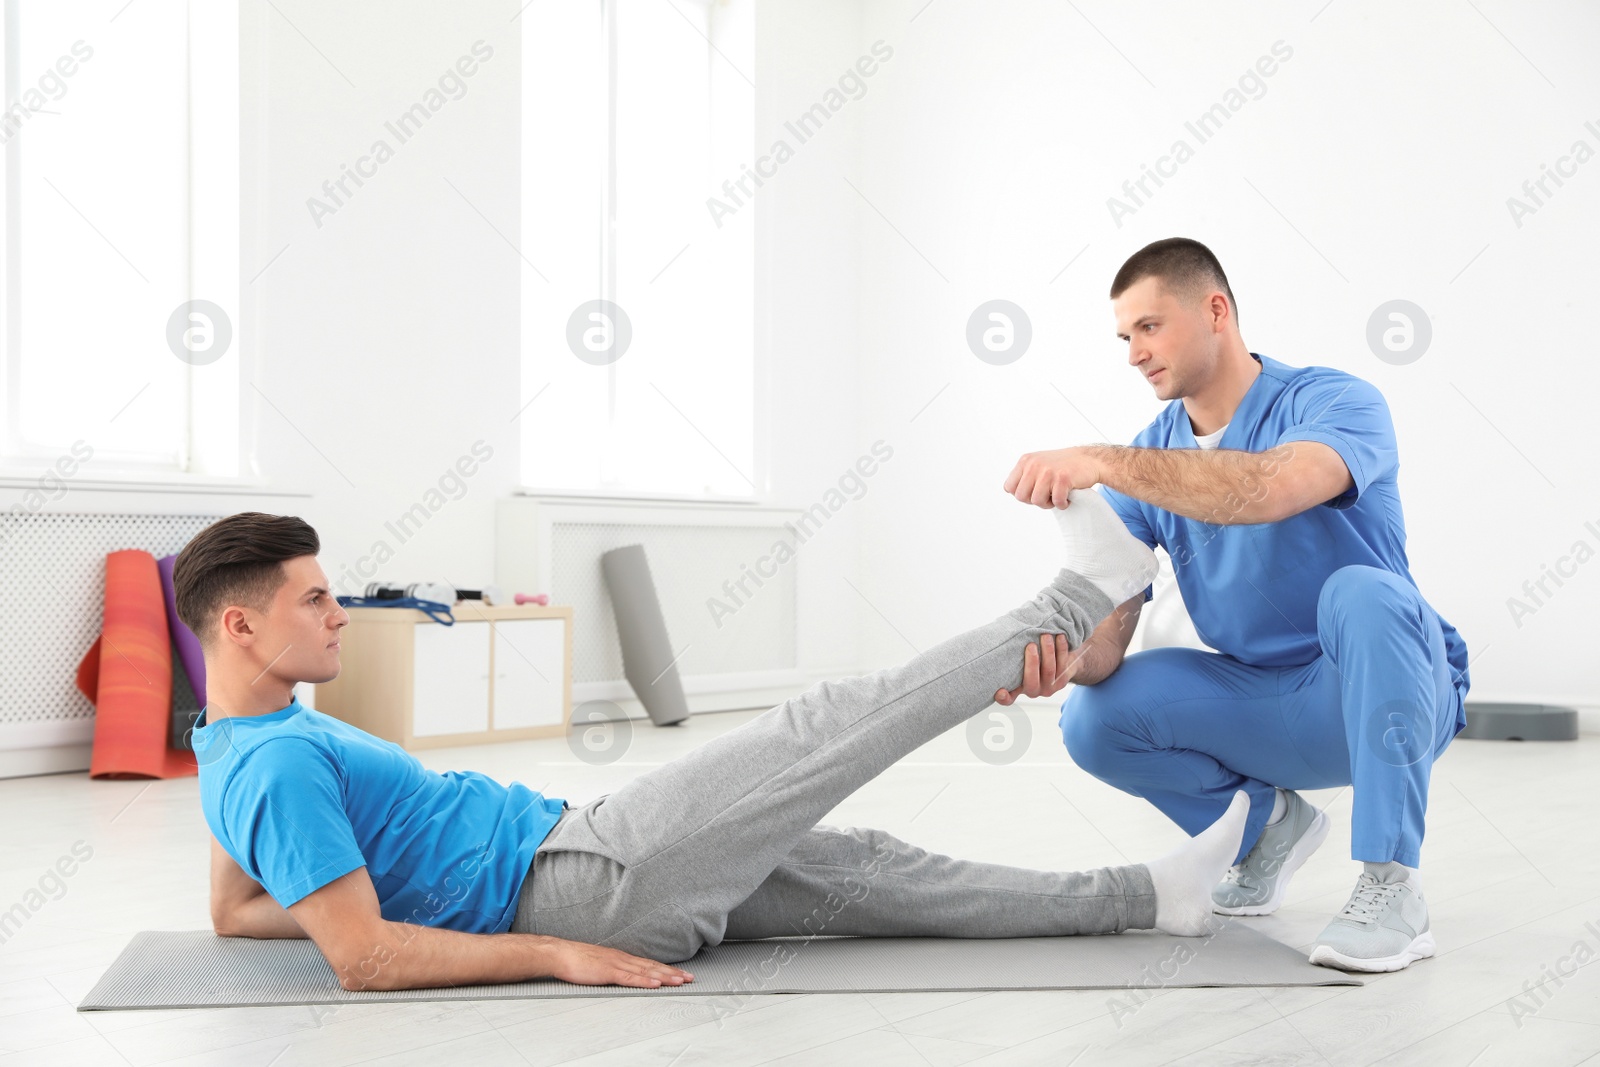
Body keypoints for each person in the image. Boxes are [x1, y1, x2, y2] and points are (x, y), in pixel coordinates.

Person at [177, 506, 1249, 993]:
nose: (339, 614)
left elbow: (234, 909)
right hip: (585, 879)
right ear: (238, 624)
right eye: (315, 599)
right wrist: (551, 948)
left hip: (576, 859)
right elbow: (358, 955)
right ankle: (1079, 593)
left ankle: (1148, 896)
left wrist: (385, 898)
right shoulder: (274, 762)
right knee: (828, 723)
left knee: (874, 872)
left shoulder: (237, 741)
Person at [996, 237, 1469, 973]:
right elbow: (1112, 633)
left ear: (1215, 310)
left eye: (1149, 327)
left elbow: (1271, 487)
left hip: (1389, 689)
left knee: (1364, 592)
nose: (1133, 354)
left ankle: (1392, 886)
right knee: (1093, 717)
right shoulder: (1146, 461)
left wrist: (1101, 459)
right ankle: (1269, 831)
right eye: (1124, 337)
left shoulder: (1334, 400)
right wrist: (1061, 661)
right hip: (1269, 703)